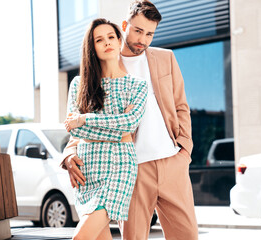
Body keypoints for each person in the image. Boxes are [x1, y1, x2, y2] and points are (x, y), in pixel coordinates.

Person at [61, 1, 199, 239]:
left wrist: (184, 151)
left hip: (171, 162)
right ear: (124, 26)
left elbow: (181, 107)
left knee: (187, 235)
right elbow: (82, 116)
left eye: (149, 34)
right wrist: (68, 153)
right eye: (137, 31)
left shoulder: (166, 58)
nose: (142, 40)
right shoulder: (107, 63)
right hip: (129, 168)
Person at [63, 18, 148, 240]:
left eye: (111, 37)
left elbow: (130, 124)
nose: (107, 42)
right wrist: (115, 126)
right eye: (99, 40)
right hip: (87, 170)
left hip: (119, 166)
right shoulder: (78, 85)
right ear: (91, 47)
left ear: (119, 40)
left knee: (81, 238)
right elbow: (76, 132)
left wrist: (84, 120)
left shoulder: (137, 85)